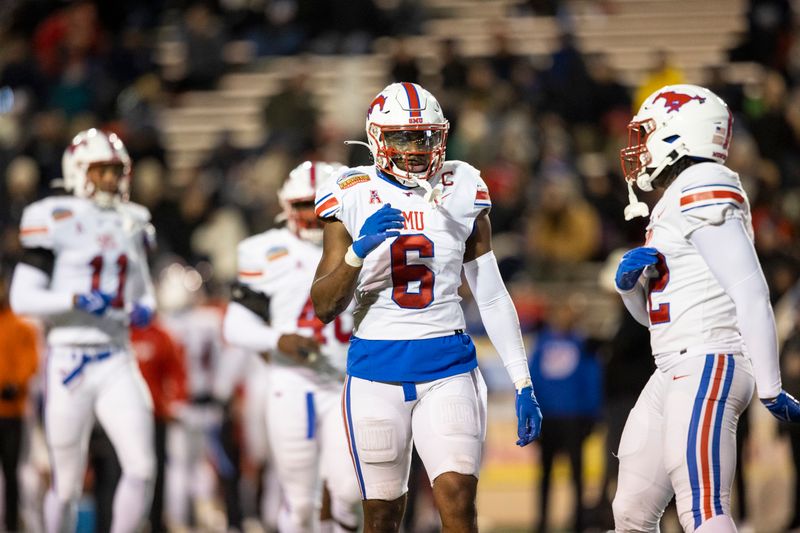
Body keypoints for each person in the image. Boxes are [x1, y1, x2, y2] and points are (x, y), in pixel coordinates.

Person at [310, 82, 542, 532]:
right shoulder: (351, 192)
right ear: (378, 138)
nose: (417, 148)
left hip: (447, 364)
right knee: (381, 517)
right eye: (402, 137)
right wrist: (358, 252)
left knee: (457, 501)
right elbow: (323, 305)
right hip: (375, 370)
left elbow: (491, 293)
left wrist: (522, 381)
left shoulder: (462, 184)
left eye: (426, 136)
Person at [612, 84, 800, 533]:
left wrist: (771, 385)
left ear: (679, 134)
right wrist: (631, 291)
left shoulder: (703, 183)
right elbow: (659, 317)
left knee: (702, 508)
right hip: (674, 364)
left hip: (707, 360)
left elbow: (750, 290)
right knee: (631, 513)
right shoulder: (675, 198)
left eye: (647, 133)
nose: (639, 146)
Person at [9, 128, 157, 533]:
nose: (111, 178)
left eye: (115, 169)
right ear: (77, 171)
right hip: (69, 360)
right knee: (68, 484)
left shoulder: (135, 220)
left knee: (142, 469)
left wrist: (144, 310)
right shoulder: (53, 216)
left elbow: (145, 292)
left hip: (116, 356)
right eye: (101, 169)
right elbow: (23, 297)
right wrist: (72, 300)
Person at [223, 161, 362, 533]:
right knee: (301, 503)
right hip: (294, 381)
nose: (314, 215)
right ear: (287, 206)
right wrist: (277, 339)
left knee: (349, 494)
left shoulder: (365, 244)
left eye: (321, 204)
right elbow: (235, 324)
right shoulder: (263, 251)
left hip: (350, 383)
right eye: (304, 205)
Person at [529, 295, 602, 533]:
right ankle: (541, 523)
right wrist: (531, 415)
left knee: (576, 476)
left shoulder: (583, 344)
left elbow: (592, 380)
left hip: (574, 418)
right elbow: (532, 379)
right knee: (544, 475)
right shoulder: (543, 342)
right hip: (548, 417)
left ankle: (579, 523)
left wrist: (593, 415)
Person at [0, 264, 39, 532]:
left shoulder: (21, 326)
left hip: (12, 412)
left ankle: (12, 524)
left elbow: (29, 362)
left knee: (13, 472)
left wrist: (15, 382)